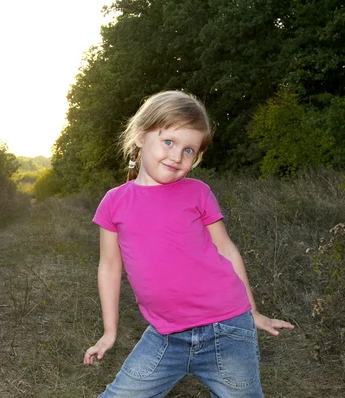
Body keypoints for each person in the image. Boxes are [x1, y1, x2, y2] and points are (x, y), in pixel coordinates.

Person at [83, 91, 294, 397]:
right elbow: (110, 267)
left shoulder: (197, 192)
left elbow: (227, 250)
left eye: (189, 150)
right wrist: (109, 332)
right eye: (169, 142)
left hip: (228, 329)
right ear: (142, 136)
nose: (177, 156)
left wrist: (253, 312)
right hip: (165, 336)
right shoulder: (114, 202)